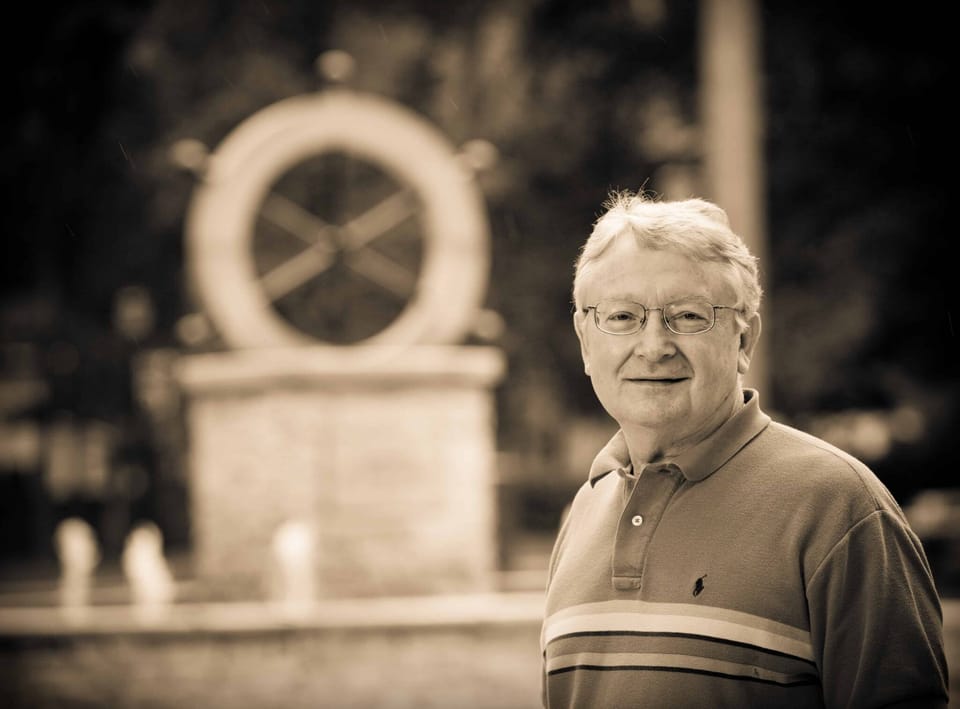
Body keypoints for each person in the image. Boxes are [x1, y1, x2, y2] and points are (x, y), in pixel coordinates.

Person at [541, 191, 949, 708]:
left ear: (744, 339)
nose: (653, 345)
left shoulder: (839, 507)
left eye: (688, 316)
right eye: (622, 317)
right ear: (585, 342)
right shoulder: (584, 510)